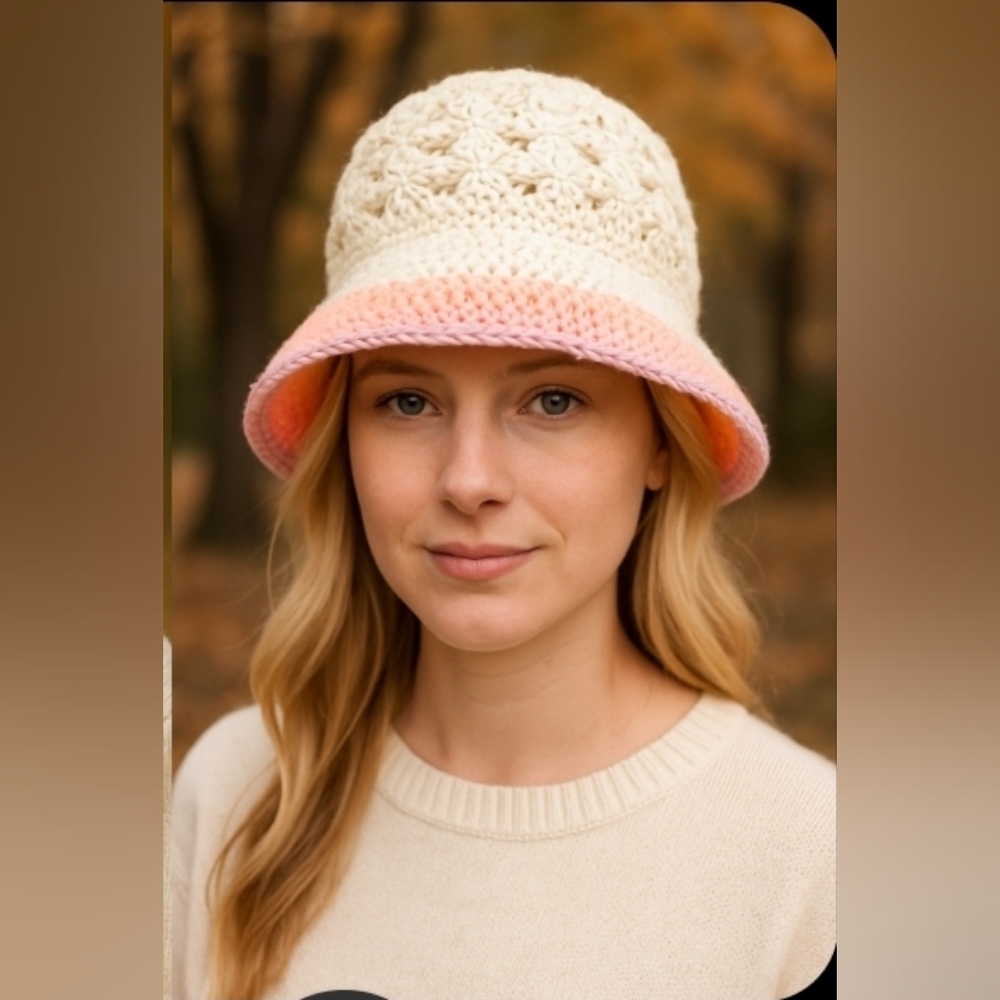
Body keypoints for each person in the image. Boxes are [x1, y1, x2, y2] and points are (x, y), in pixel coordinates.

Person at [172, 69, 835, 1000]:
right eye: (407, 401)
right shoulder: (236, 801)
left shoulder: (817, 860)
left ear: (659, 443)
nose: (469, 480)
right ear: (345, 444)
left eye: (552, 400)